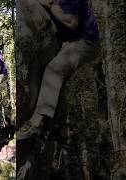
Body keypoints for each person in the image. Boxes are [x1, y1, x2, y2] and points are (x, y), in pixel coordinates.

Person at [17, 0, 100, 139]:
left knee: (54, 70)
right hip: (70, 40)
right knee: (56, 80)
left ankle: (36, 123)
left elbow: (71, 22)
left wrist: (51, 6)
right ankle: (59, 127)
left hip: (85, 42)